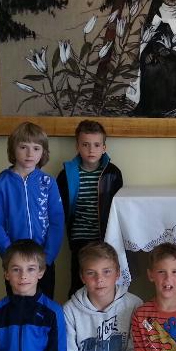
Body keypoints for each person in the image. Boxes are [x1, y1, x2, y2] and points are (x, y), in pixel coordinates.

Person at [0, 121, 65, 300]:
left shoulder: (48, 182)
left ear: (43, 152)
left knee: (44, 305)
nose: (30, 154)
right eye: (23, 147)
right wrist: (10, 258)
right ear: (13, 149)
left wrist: (47, 258)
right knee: (17, 306)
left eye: (36, 148)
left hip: (43, 260)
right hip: (15, 263)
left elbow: (57, 221)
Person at [57, 120, 124, 298]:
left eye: (96, 145)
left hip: (105, 237)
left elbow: (118, 208)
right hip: (79, 238)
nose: (91, 150)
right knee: (79, 282)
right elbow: (59, 209)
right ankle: (76, 314)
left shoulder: (112, 173)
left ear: (104, 148)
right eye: (85, 144)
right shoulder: (66, 174)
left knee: (105, 282)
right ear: (77, 146)